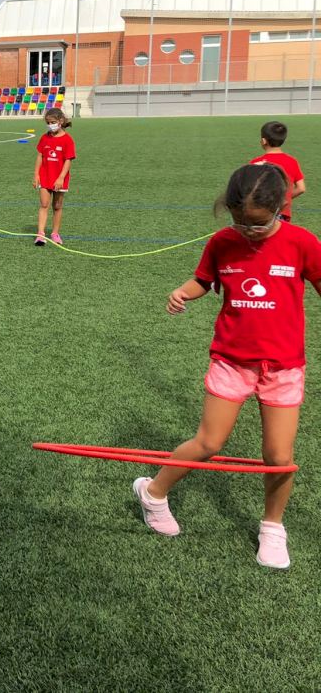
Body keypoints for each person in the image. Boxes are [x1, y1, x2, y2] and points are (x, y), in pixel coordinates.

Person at [139, 163, 321, 569]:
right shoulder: (223, 242)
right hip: (231, 361)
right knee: (209, 443)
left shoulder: (302, 243)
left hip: (283, 366)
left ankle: (272, 527)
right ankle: (152, 493)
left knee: (279, 456)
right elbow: (204, 280)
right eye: (241, 222)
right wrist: (183, 292)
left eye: (259, 223)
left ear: (282, 207)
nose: (249, 231)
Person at [33, 108, 75, 246]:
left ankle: (55, 233)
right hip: (45, 176)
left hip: (59, 178)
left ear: (60, 121)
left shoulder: (67, 140)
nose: (50, 125)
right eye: (48, 123)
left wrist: (61, 178)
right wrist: (36, 174)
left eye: (53, 122)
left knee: (57, 206)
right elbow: (40, 156)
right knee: (44, 204)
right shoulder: (45, 138)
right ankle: (40, 234)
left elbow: (68, 160)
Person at [250, 121, 305, 223]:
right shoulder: (292, 161)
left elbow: (249, 190)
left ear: (263, 141)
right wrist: (284, 198)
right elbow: (301, 188)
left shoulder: (256, 163)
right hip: (282, 212)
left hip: (262, 213)